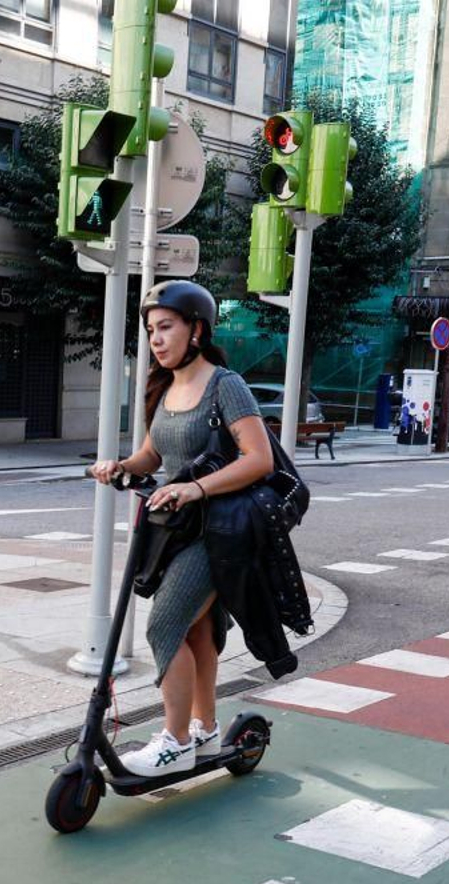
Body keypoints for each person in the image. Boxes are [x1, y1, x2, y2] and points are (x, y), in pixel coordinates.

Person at [89, 281, 274, 776]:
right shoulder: (166, 386)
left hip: (217, 533)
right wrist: (120, 465)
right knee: (195, 633)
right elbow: (155, 455)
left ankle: (175, 742)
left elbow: (260, 459)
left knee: (166, 625)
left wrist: (197, 488)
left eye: (166, 326)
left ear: (197, 329)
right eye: (151, 329)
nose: (156, 338)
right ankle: (205, 730)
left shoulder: (224, 385)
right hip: (173, 530)